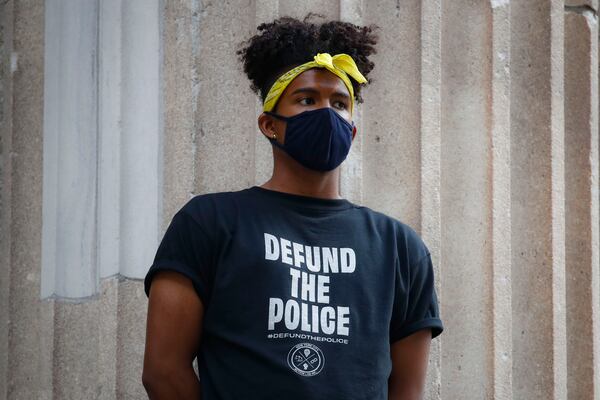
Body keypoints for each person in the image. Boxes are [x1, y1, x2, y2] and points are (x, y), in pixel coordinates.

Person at [142, 15, 443, 400]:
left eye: (339, 103)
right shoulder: (208, 223)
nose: (326, 113)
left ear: (351, 130)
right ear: (270, 124)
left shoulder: (401, 248)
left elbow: (407, 391)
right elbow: (163, 372)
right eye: (307, 100)